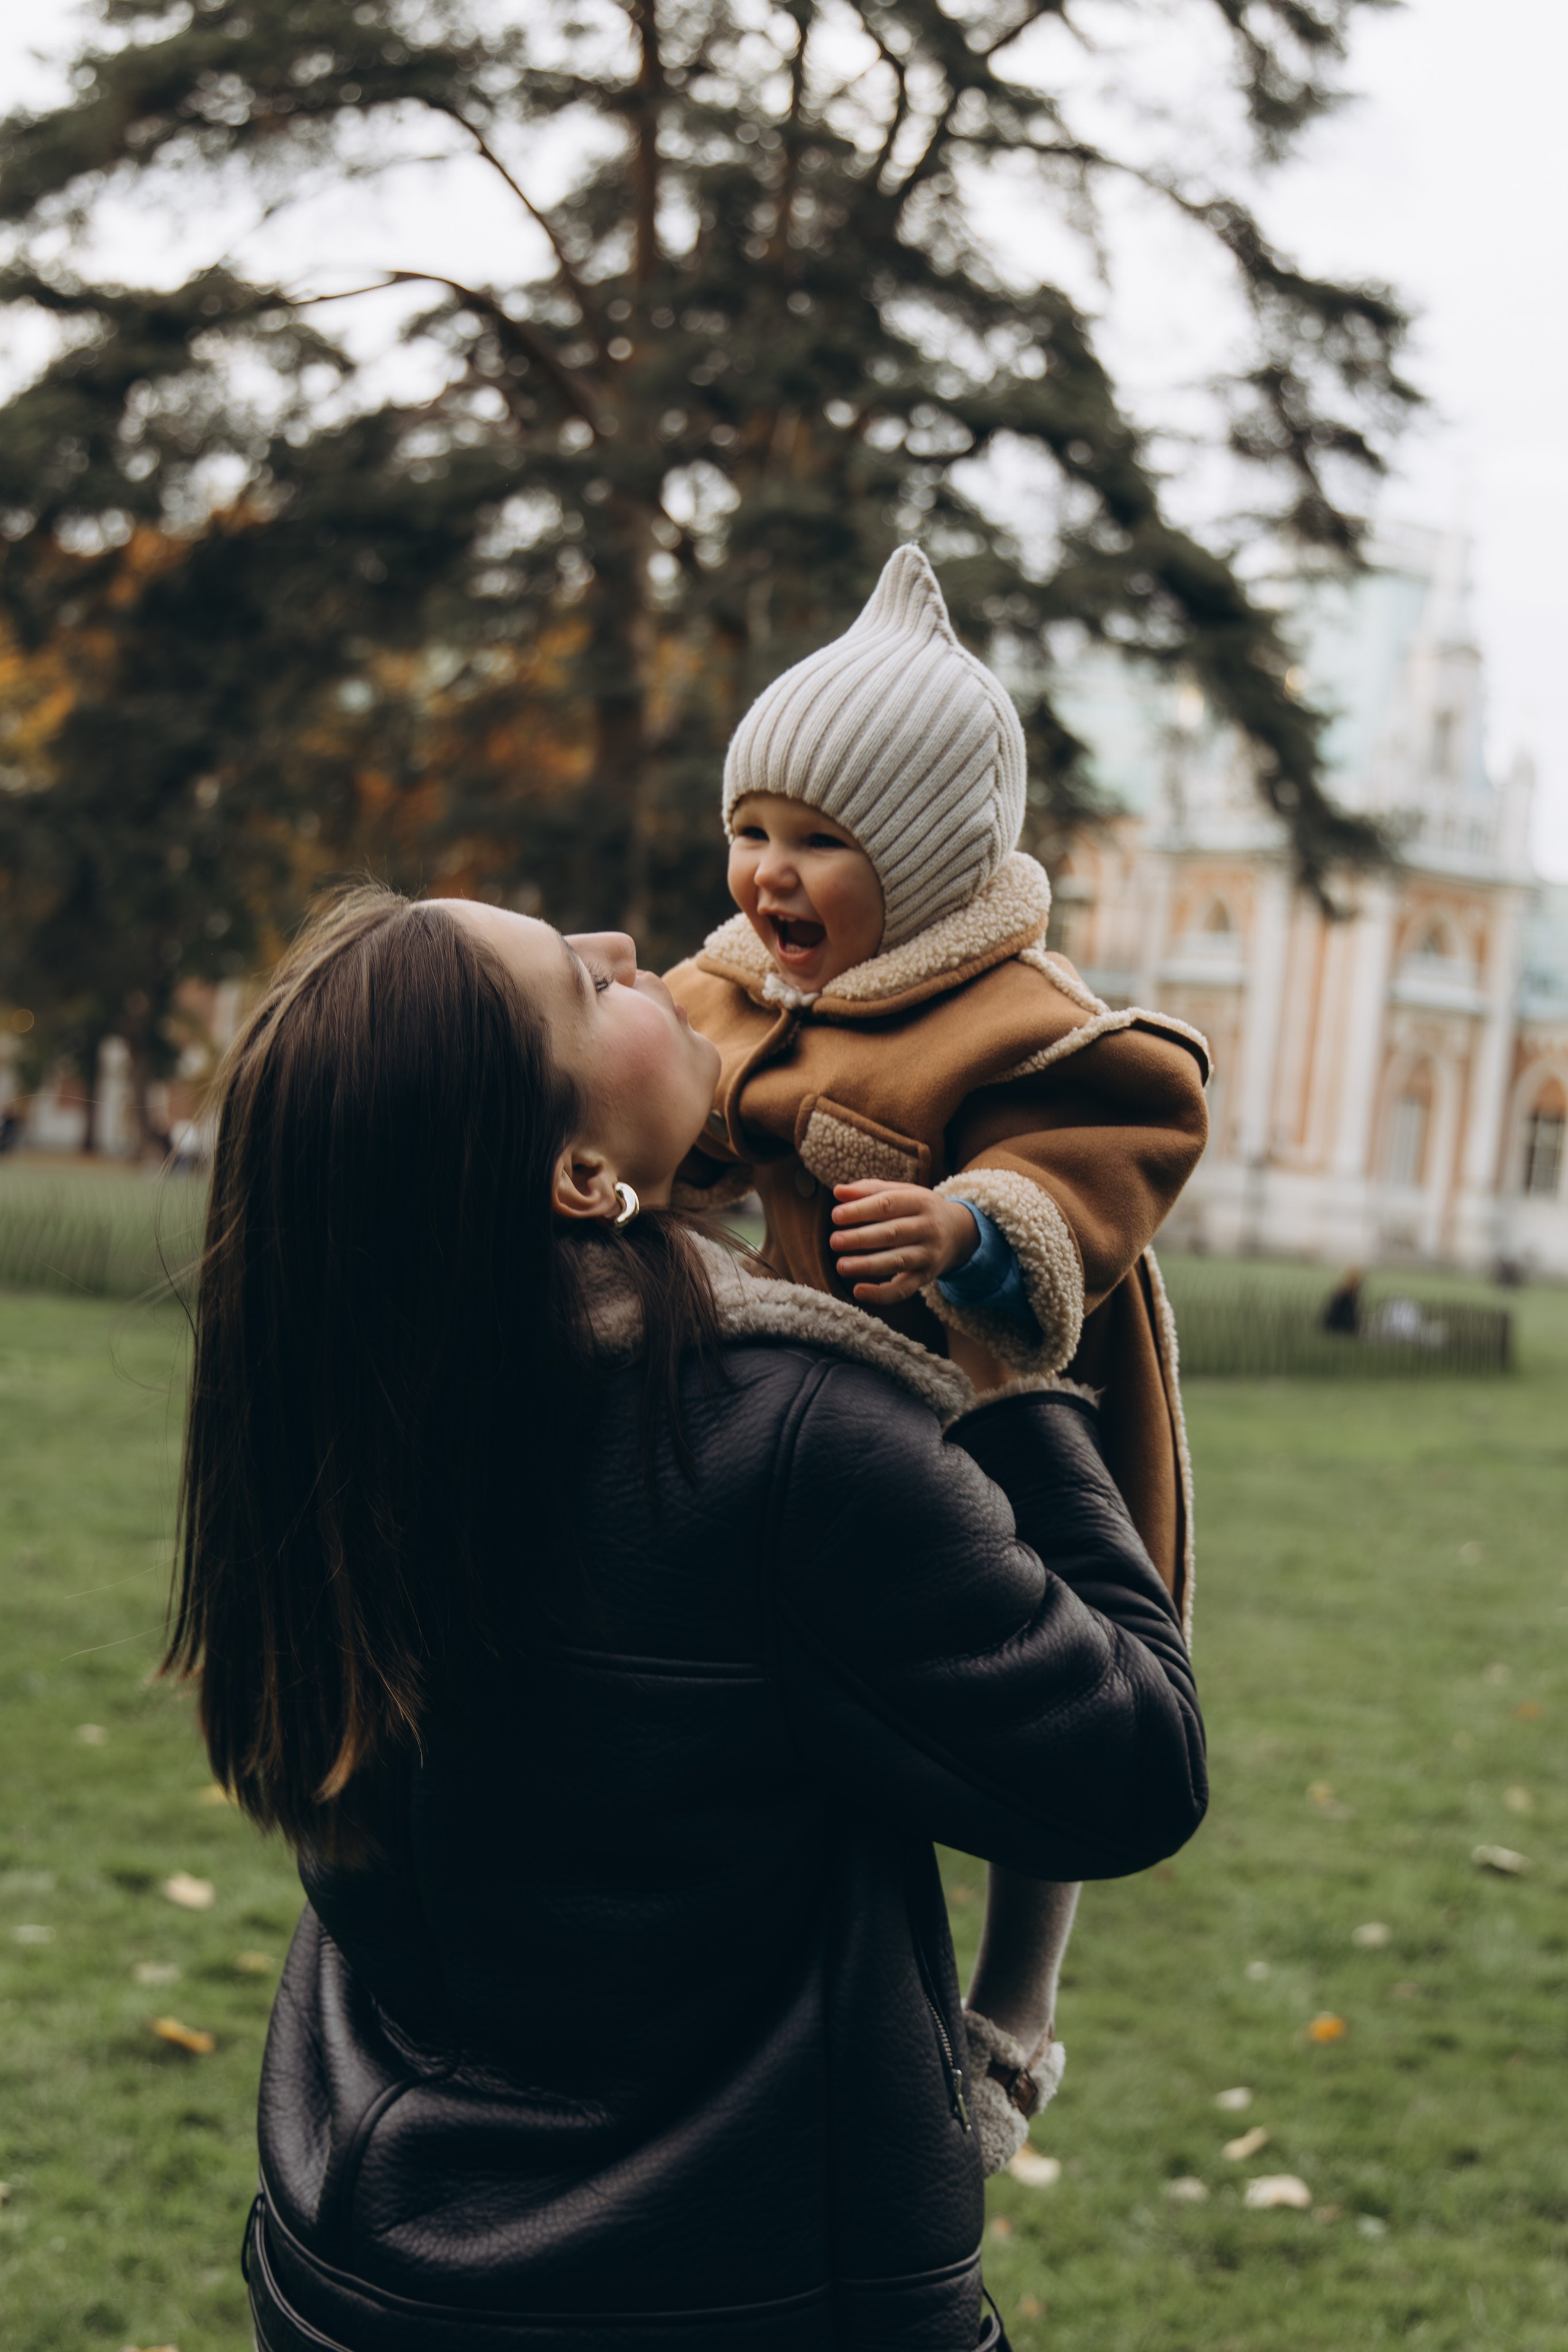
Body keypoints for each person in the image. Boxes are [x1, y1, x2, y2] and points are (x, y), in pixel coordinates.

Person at [165, 885, 1206, 2352]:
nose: (619, 948)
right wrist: (1023, 1390)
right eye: (579, 993)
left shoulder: (338, 1412)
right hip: (740, 2296)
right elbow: (1130, 1772)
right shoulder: (783, 1441)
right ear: (584, 1178)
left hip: (358, 2271)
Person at [664, 546, 1212, 2150]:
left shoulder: (1016, 1019)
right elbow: (670, 1103)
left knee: (1049, 1695)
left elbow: (1101, 1150)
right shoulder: (731, 977)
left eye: (821, 841)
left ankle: (1012, 2013)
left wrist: (976, 1224)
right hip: (797, 1398)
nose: (771, 871)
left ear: (923, 851)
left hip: (1008, 1400)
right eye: (751, 829)